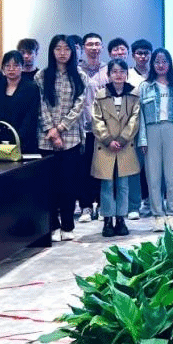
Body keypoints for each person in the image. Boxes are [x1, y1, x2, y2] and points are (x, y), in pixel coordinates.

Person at [35, 34, 89, 241]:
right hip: (45, 138)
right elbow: (40, 105)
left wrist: (60, 128)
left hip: (71, 138)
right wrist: (51, 129)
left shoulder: (80, 76)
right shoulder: (41, 76)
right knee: (48, 186)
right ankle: (52, 226)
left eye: (66, 49)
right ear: (52, 51)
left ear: (73, 52)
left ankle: (67, 226)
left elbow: (79, 106)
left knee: (68, 185)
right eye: (58, 48)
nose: (62, 53)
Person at [137, 48, 173, 228]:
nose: (161, 65)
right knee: (153, 176)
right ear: (152, 64)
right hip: (151, 130)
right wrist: (142, 139)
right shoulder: (145, 87)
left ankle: (172, 213)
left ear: (170, 64)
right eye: (157, 62)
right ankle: (158, 215)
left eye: (164, 61)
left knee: (172, 176)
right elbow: (140, 116)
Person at [92, 58, 141, 238]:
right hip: (105, 145)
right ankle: (107, 220)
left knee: (123, 185)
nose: (118, 75)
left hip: (125, 145)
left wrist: (122, 139)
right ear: (108, 74)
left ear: (126, 74)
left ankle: (121, 218)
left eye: (122, 72)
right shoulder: (100, 95)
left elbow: (135, 118)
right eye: (114, 72)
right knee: (107, 184)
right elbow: (96, 119)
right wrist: (107, 140)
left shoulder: (134, 94)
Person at [77, 32, 109, 222]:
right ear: (83, 47)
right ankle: (86, 207)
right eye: (90, 44)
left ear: (102, 47)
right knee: (84, 168)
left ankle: (103, 205)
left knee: (103, 168)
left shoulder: (108, 70)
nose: (94, 48)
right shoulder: (77, 70)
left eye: (97, 44)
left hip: (104, 128)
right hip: (83, 128)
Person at [0, 50, 41, 154]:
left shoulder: (31, 88)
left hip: (24, 142)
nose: (11, 69)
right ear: (2, 68)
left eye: (15, 66)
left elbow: (31, 117)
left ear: (22, 67)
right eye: (7, 66)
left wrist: (18, 139)